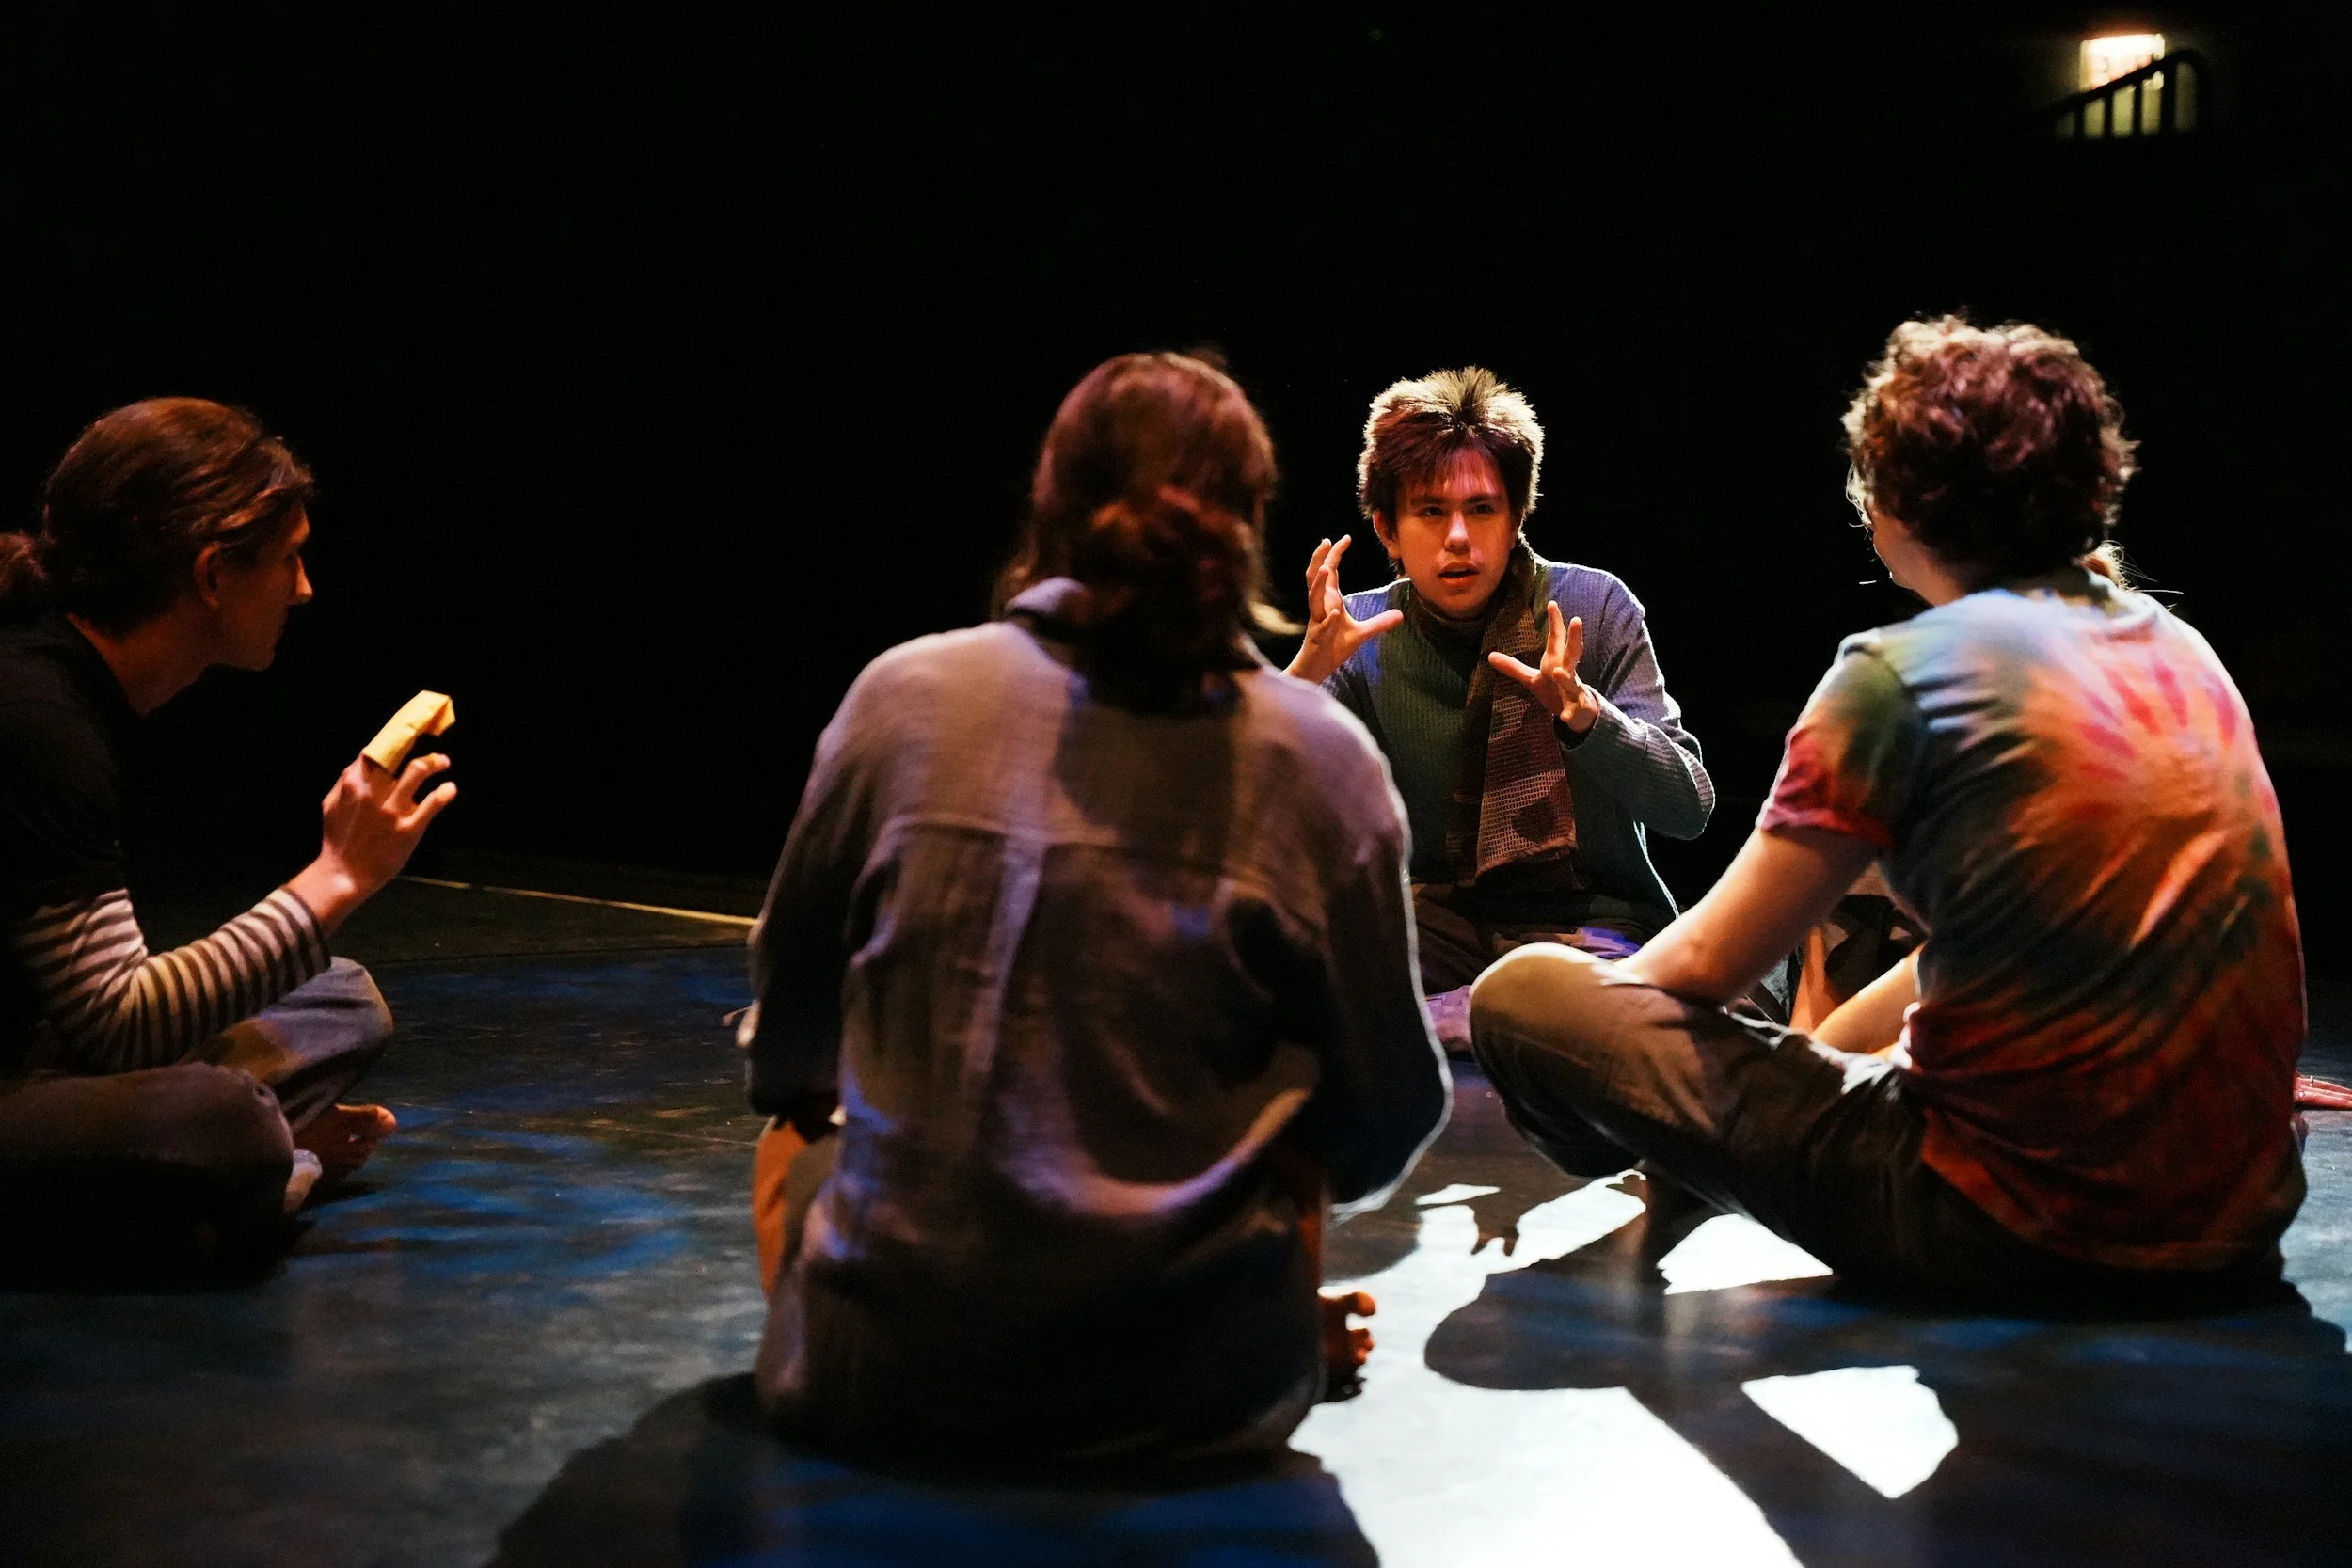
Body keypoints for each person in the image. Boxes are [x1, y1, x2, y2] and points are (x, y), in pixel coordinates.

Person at [1470, 317, 2306, 1306]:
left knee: (1523, 999)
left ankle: (1686, 1151)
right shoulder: (2178, 649)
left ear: (1893, 502)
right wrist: (1804, 1061)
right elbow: (2014, 945)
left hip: (2008, 1230)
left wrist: (1628, 1069)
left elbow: (1692, 973)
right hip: (2235, 1223)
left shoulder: (1899, 676)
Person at [740, 352, 1447, 1465]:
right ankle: (1221, 1316)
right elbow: (1385, 1116)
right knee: (1288, 1107)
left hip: (881, 1391)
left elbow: (790, 1037)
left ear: (1048, 505)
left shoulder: (900, 697)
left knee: (794, 1131)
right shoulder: (1321, 760)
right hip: (1195, 1402)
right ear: (1248, 524)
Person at [0, 399, 456, 1275]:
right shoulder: (37, 718)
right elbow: (120, 1028)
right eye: (288, 559)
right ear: (213, 573)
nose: (305, 587)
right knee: (225, 1124)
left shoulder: (75, 686)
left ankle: (200, 1180)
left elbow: (88, 1012)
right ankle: (268, 1169)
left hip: (36, 1045)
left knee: (339, 998)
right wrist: (337, 876)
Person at [1284, 368, 1714, 1048]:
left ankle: (1470, 1016)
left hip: (1594, 925)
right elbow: (1253, 807)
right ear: (1387, 529)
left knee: (1584, 1003)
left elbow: (1688, 808)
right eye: (1431, 512)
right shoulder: (1359, 636)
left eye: (1482, 509)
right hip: (1437, 923)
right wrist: (1305, 675)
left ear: (1516, 518)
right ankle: (1474, 1016)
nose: (1458, 536)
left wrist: (1586, 716)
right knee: (1292, 974)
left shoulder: (1593, 609)